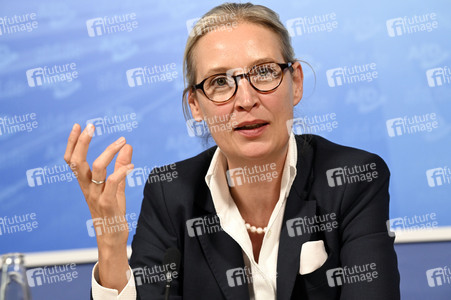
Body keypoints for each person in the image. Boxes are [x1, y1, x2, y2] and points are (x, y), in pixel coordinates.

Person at [64, 3, 400, 299]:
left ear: (295, 82)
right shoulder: (170, 192)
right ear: (195, 105)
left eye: (264, 72)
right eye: (219, 82)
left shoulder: (353, 178)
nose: (246, 100)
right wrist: (110, 243)